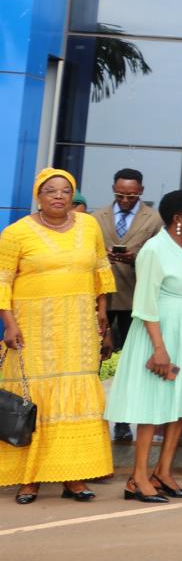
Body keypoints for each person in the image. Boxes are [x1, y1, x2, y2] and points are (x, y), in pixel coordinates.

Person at [0, 168, 116, 504]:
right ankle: (29, 479)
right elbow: (3, 281)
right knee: (32, 398)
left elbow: (99, 269)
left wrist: (102, 312)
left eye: (66, 190)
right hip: (32, 328)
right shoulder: (16, 233)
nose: (58, 196)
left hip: (77, 325)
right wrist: (9, 323)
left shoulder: (89, 225)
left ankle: (73, 478)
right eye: (50, 191)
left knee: (74, 393)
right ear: (38, 196)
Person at [103, 190, 182, 504]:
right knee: (154, 404)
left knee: (179, 404)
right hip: (162, 335)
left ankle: (163, 472)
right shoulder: (154, 249)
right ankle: (137, 476)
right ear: (178, 217)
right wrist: (159, 349)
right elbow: (145, 301)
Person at [95, 167, 164, 443]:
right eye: (120, 194)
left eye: (131, 195)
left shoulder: (155, 219)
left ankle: (122, 421)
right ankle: (93, 415)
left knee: (125, 363)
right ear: (113, 188)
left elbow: (160, 256)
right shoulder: (96, 217)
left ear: (142, 191)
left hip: (133, 298)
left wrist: (136, 257)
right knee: (94, 359)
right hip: (100, 297)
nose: (125, 199)